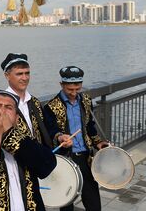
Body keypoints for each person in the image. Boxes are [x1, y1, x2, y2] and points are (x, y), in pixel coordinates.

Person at [43, 66, 109, 211]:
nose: (74, 93)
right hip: (67, 157)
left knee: (93, 200)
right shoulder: (51, 107)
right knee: (66, 200)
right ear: (62, 85)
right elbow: (50, 131)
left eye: (77, 89)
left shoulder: (85, 100)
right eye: (70, 90)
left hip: (85, 156)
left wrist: (98, 142)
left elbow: (89, 126)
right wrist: (60, 137)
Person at [1, 53, 52, 147]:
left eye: (27, 73)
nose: (25, 78)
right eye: (19, 74)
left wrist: (59, 137)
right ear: (7, 75)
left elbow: (46, 130)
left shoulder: (34, 102)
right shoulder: (0, 104)